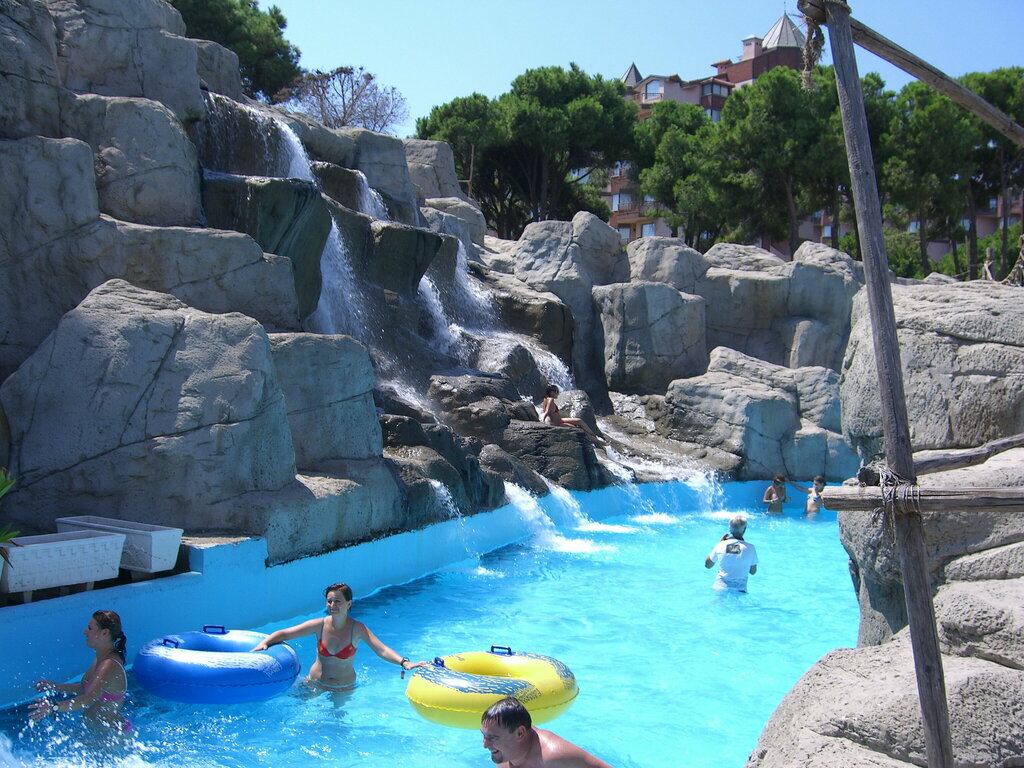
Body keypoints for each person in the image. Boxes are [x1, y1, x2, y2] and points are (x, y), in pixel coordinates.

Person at [251, 582, 426, 692]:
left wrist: (404, 662)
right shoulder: (319, 625)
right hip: (315, 683)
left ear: (349, 604)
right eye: (329, 601)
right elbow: (285, 633)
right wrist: (265, 642)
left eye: (337, 601)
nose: (332, 605)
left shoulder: (357, 629)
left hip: (343, 687)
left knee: (337, 727)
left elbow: (381, 650)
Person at [29, 610, 131, 733]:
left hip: (111, 735)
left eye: (90, 628)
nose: (85, 632)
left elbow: (88, 699)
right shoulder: (100, 659)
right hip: (95, 732)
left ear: (104, 633)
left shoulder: (109, 664)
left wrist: (53, 707)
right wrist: (55, 687)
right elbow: (84, 687)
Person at [481, 696, 614, 768]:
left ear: (520, 733)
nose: (485, 745)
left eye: (492, 737)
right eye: (484, 735)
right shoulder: (503, 754)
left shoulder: (554, 756)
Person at [539, 385, 609, 447]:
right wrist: (543, 421)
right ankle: (599, 442)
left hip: (559, 420)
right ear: (551, 393)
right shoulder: (550, 400)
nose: (558, 393)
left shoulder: (545, 399)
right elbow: (547, 411)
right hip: (558, 423)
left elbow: (547, 411)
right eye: (556, 392)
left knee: (579, 421)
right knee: (580, 430)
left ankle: (593, 435)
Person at [704, 515, 758, 592]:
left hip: (720, 588)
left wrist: (719, 544)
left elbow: (708, 565)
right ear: (744, 529)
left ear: (730, 529)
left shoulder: (721, 545)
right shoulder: (751, 548)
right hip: (740, 590)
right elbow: (753, 571)